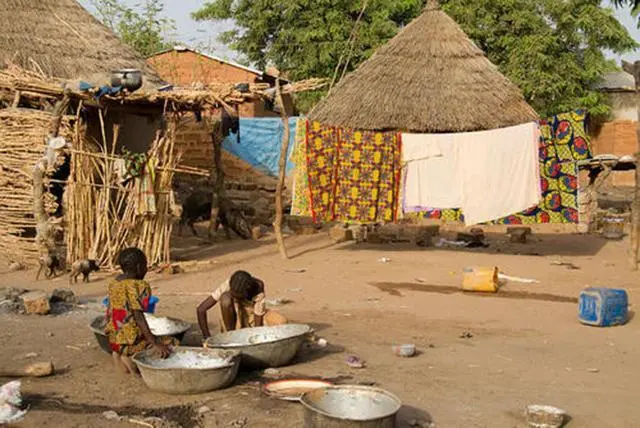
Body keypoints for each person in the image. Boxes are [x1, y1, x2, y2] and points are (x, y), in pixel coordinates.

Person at [105, 247, 176, 374]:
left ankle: (119, 354)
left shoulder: (114, 283)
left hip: (114, 341)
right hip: (132, 342)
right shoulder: (138, 286)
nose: (146, 270)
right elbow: (139, 316)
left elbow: (109, 311)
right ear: (139, 267)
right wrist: (154, 343)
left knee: (127, 338)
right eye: (145, 266)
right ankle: (132, 361)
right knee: (171, 343)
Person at [197, 270, 288, 339]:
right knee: (225, 298)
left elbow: (258, 314)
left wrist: (256, 335)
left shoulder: (258, 286)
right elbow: (201, 309)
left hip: (251, 316)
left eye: (237, 295)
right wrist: (206, 337)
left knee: (281, 321)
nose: (234, 296)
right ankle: (230, 336)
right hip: (233, 317)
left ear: (246, 292)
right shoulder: (228, 284)